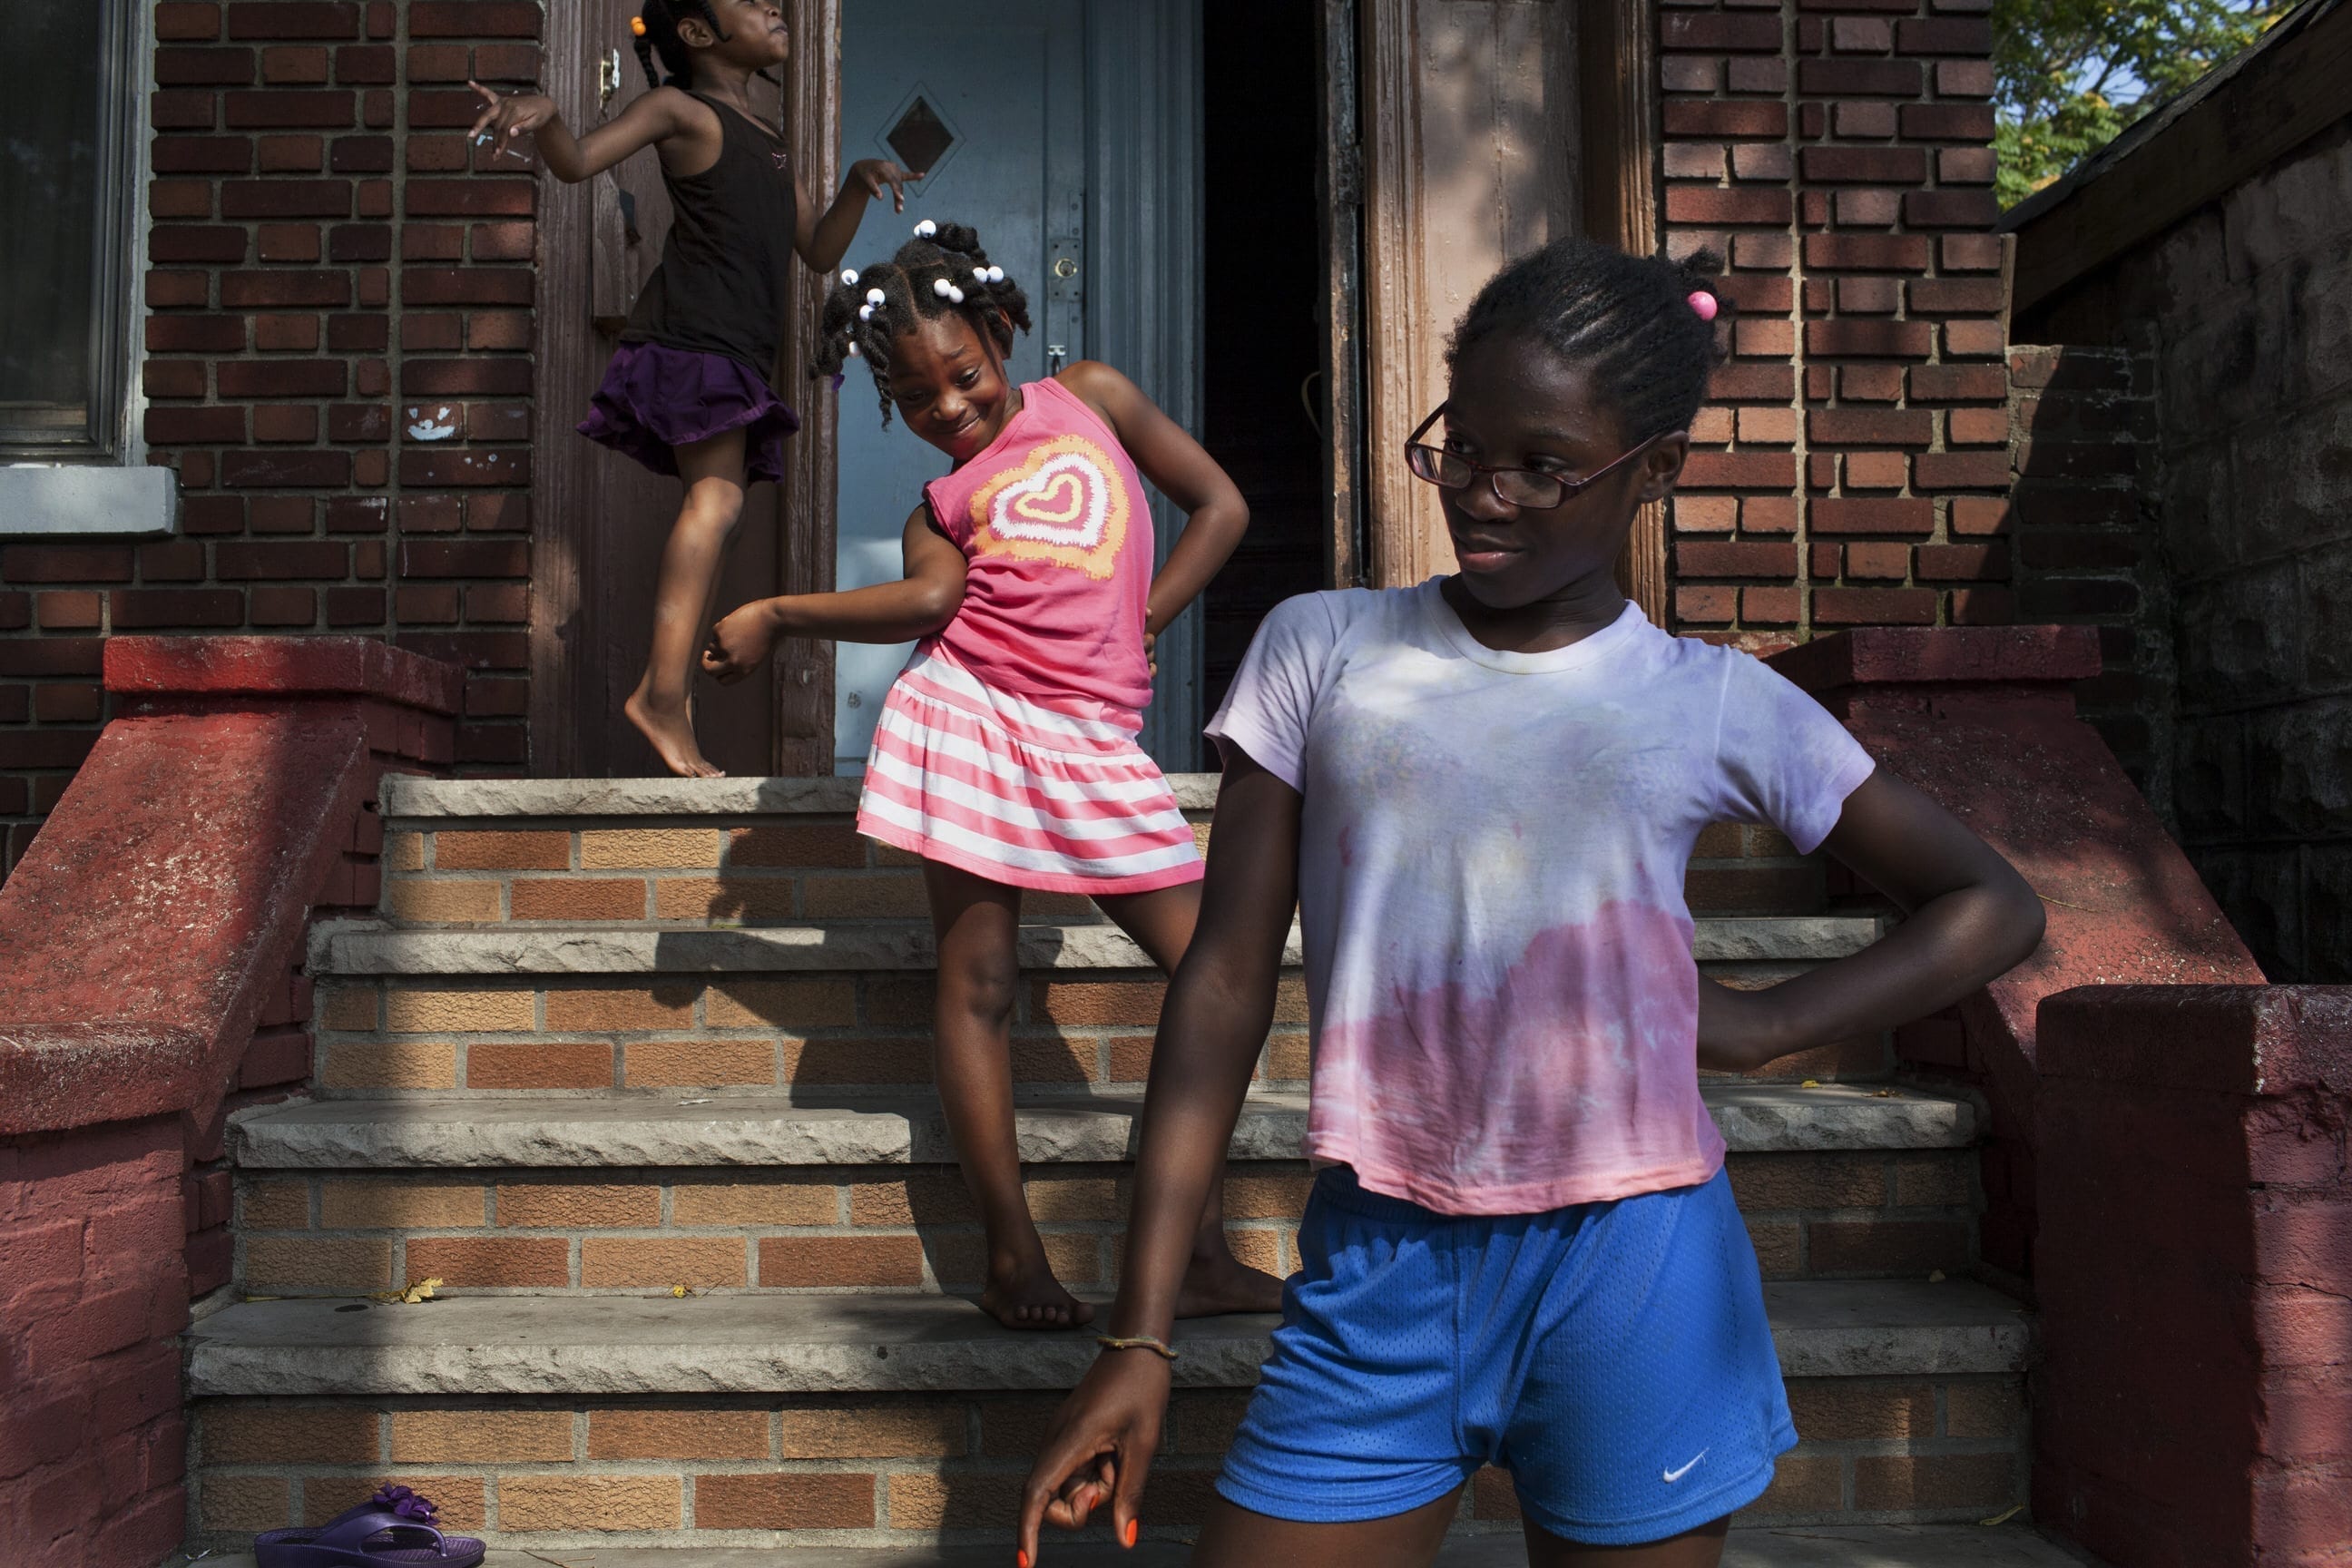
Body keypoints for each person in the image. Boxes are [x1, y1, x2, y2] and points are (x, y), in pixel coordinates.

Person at [1015, 236, 2048, 1566]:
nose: (1485, 498)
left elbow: (1991, 903)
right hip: (1377, 1270)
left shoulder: (1708, 698)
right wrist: (1139, 1332)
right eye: (1464, 450)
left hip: (1636, 1272)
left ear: (1658, 470)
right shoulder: (1323, 649)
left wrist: (1764, 1025)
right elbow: (1219, 982)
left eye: (1545, 467)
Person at [701, 220, 1282, 1331]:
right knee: (979, 986)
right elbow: (930, 605)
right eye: (920, 403)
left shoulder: (1093, 397)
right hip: (970, 717)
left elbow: (1223, 508)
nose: (953, 410)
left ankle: (1198, 1254)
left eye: (965, 376)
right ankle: (1013, 1258)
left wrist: (1143, 622)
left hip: (1091, 739)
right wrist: (777, 612)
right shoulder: (938, 507)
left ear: (1001, 331)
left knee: (1219, 971)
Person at [466, 0, 921, 777]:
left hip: (739, 348)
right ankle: (662, 696)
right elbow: (575, 161)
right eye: (752, 2)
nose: (774, 8)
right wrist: (543, 116)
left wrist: (854, 182)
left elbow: (815, 251)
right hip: (693, 338)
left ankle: (667, 691)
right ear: (700, 34)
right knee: (718, 503)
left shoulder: (770, 139)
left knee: (725, 515)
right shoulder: (680, 108)